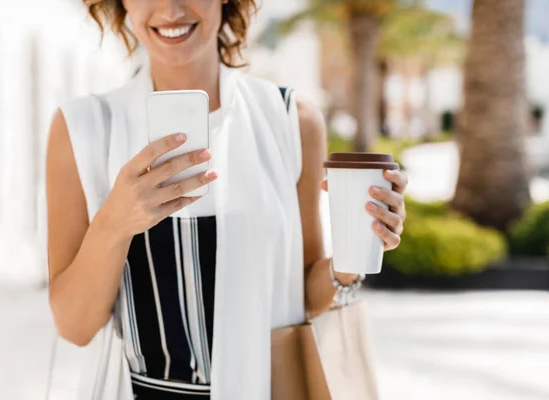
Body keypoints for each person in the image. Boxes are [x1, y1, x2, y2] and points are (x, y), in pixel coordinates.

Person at [45, 1, 408, 399]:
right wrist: (115, 220)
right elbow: (74, 327)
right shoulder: (83, 129)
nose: (171, 8)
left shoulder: (291, 121)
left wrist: (355, 252)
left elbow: (305, 296)